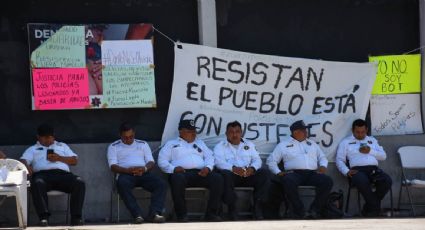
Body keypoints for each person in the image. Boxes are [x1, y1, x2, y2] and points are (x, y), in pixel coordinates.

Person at [20, 124, 85, 226]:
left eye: (50, 137)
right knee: (37, 183)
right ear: (38, 137)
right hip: (43, 175)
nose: (48, 140)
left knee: (79, 182)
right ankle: (43, 218)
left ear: (53, 136)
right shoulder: (33, 149)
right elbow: (23, 160)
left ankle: (76, 218)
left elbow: (74, 160)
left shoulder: (62, 146)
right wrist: (27, 166)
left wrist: (59, 158)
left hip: (63, 175)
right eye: (44, 137)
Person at [158, 119, 223, 222]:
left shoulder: (200, 143)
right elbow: (161, 161)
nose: (193, 133)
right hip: (182, 174)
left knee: (217, 178)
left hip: (200, 173)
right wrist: (173, 169)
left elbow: (210, 157)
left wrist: (208, 167)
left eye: (194, 131)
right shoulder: (171, 144)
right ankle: (182, 215)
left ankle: (211, 214)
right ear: (181, 131)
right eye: (189, 131)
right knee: (177, 179)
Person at [266, 120, 333, 219]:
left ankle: (315, 210)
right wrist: (278, 172)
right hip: (294, 174)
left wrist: (323, 166)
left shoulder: (312, 144)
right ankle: (299, 211)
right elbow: (271, 161)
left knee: (327, 181)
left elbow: (322, 157)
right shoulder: (283, 145)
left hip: (312, 173)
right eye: (304, 130)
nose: (306, 132)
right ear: (295, 132)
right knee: (288, 181)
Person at [107, 122, 167, 224]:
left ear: (134, 134)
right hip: (125, 174)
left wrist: (144, 169)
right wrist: (127, 170)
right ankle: (137, 215)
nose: (129, 140)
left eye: (131, 137)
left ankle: (154, 214)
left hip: (143, 173)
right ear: (120, 135)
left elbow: (151, 162)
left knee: (161, 184)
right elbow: (113, 166)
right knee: (122, 184)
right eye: (125, 138)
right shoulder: (114, 146)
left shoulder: (142, 144)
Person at [213, 121, 270, 220]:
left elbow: (257, 160)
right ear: (226, 133)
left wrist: (252, 169)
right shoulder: (220, 146)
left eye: (237, 131)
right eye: (231, 132)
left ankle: (257, 207)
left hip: (247, 174)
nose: (235, 135)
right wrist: (233, 169)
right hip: (232, 176)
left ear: (241, 133)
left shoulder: (249, 144)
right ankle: (232, 208)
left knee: (265, 173)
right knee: (225, 174)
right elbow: (218, 162)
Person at [336, 119, 392, 217]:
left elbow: (383, 156)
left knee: (387, 180)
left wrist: (370, 151)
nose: (360, 134)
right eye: (357, 132)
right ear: (353, 130)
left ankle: (368, 209)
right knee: (362, 180)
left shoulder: (372, 140)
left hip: (373, 170)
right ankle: (374, 209)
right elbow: (339, 160)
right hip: (357, 171)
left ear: (366, 130)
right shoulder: (346, 142)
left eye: (363, 132)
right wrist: (346, 171)